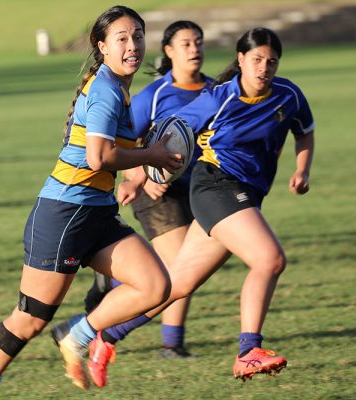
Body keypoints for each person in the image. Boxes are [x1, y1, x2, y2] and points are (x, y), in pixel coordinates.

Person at [0, 6, 184, 399]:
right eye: (122, 39)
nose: (133, 46)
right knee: (29, 320)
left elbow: (109, 158)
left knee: (156, 285)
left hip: (97, 212)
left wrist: (145, 166)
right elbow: (99, 157)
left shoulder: (116, 87)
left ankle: (75, 336)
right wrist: (153, 157)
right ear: (102, 46)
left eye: (138, 37)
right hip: (64, 214)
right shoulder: (106, 90)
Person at [84, 27, 315, 386]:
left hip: (244, 194)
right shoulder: (219, 96)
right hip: (217, 187)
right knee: (270, 260)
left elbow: (304, 130)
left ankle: (106, 338)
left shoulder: (288, 95)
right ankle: (248, 351)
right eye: (256, 60)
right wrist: (143, 178)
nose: (263, 68)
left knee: (176, 284)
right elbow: (165, 135)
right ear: (240, 60)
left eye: (271, 62)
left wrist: (302, 169)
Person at [84, 20, 214, 363]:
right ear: (169, 52)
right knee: (178, 271)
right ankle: (171, 346)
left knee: (185, 271)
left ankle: (114, 285)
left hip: (198, 190)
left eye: (198, 42)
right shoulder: (154, 95)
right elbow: (120, 144)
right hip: (155, 192)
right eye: (185, 43)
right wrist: (140, 179)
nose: (195, 49)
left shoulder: (214, 92)